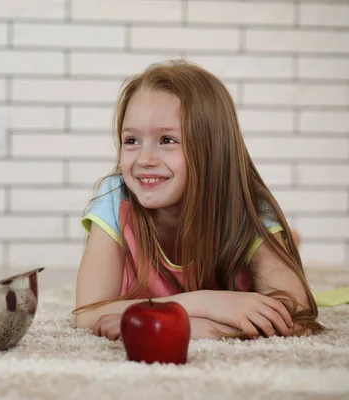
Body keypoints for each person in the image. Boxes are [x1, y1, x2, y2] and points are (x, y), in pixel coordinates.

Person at [74, 60, 326, 341]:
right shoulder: (115, 199)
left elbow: (296, 315)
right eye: (131, 141)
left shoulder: (248, 208)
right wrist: (206, 303)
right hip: (200, 292)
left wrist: (206, 328)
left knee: (273, 254)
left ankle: (284, 241)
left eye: (167, 140)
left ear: (212, 149)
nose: (144, 160)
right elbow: (86, 314)